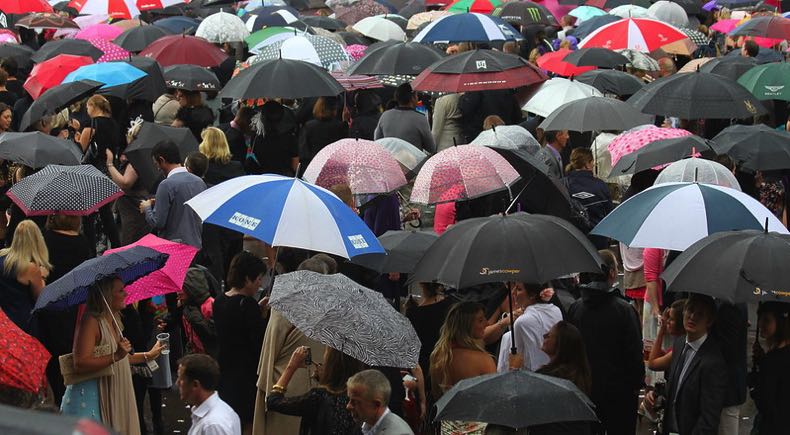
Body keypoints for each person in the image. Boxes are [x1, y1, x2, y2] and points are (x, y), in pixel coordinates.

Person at [61, 276, 163, 434]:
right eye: (120, 290)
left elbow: (122, 359)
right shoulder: (91, 321)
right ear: (107, 295)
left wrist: (149, 355)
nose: (126, 294)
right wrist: (115, 356)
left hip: (114, 390)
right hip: (92, 397)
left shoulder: (115, 319)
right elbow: (80, 363)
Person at [566, 250, 644, 435]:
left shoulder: (575, 308)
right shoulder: (624, 310)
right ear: (611, 273)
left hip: (585, 391)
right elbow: (634, 353)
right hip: (620, 394)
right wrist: (637, 384)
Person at [252, 258, 328, 435]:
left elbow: (270, 353)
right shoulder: (330, 309)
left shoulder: (283, 307)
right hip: (304, 381)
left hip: (287, 381)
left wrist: (265, 389)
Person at [646, 294, 728, 435]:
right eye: (690, 310)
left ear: (709, 321)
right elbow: (678, 390)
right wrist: (657, 396)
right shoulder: (679, 344)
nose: (692, 316)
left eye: (700, 314)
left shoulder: (713, 362)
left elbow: (709, 419)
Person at [37, 214, 93, 405]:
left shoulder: (45, 239)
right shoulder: (82, 242)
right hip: (75, 305)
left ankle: (58, 397)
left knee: (52, 358)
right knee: (72, 351)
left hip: (50, 305)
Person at [213, 251, 268, 434]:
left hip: (225, 371)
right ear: (247, 279)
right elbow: (258, 342)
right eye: (258, 279)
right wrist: (261, 317)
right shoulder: (248, 305)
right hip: (245, 376)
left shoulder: (220, 300)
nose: (260, 283)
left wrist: (255, 311)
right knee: (247, 423)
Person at [266, 346, 366, 435]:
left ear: (332, 363)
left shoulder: (318, 398)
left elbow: (273, 401)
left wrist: (291, 366)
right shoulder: (362, 398)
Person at [430, 301, 495, 434]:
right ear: (467, 325)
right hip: (478, 428)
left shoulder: (439, 356)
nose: (487, 323)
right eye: (480, 320)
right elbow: (495, 400)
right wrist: (513, 367)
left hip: (448, 427)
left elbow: (437, 395)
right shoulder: (483, 360)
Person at [140, 140, 206, 248]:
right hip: (196, 245)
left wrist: (147, 208)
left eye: (156, 164)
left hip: (173, 247)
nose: (157, 168)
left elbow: (158, 222)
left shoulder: (166, 185)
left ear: (162, 160)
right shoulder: (199, 182)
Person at [497, 282, 562, 373]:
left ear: (532, 295)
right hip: (555, 370)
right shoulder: (556, 310)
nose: (513, 292)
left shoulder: (522, 322)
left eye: (519, 289)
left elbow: (516, 361)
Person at [105, 118, 152, 246]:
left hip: (133, 208)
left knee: (130, 242)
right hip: (135, 206)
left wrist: (109, 164)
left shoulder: (137, 158)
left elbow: (126, 183)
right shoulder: (148, 154)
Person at [404, 283, 453, 402]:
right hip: (446, 361)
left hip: (424, 366)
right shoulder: (448, 306)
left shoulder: (413, 313)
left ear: (421, 286)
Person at [0, 220, 51, 332]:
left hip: (4, 318)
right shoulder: (31, 268)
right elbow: (40, 299)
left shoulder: (2, 257)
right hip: (23, 321)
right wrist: (42, 277)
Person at [750, 302, 790, 434]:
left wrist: (753, 384)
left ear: (780, 323)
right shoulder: (780, 354)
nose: (761, 324)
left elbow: (765, 404)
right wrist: (762, 361)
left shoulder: (773, 360)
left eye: (767, 320)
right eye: (760, 318)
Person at [177, 353, 241, 435]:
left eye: (181, 379)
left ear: (195, 385)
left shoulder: (212, 425)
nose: (177, 383)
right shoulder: (213, 415)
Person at [563, 148, 614, 249]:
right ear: (587, 164)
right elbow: (609, 215)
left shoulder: (562, 185)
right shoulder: (601, 186)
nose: (594, 164)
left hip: (572, 241)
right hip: (598, 243)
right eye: (592, 162)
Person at [346, 369, 414, 435]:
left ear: (376, 405)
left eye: (355, 402)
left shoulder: (398, 433)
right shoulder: (365, 425)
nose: (348, 406)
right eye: (350, 400)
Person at [374, 83, 435, 153]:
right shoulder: (420, 119)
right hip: (413, 162)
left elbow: (377, 140)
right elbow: (431, 148)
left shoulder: (385, 115)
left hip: (390, 160)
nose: (417, 98)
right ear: (412, 98)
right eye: (416, 95)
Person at [248, 101, 299, 177]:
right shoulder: (289, 137)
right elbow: (295, 164)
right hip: (285, 177)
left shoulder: (256, 136)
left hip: (261, 176)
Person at [299, 97, 348, 172]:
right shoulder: (340, 126)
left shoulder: (309, 126)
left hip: (314, 163)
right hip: (334, 164)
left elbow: (304, 149)